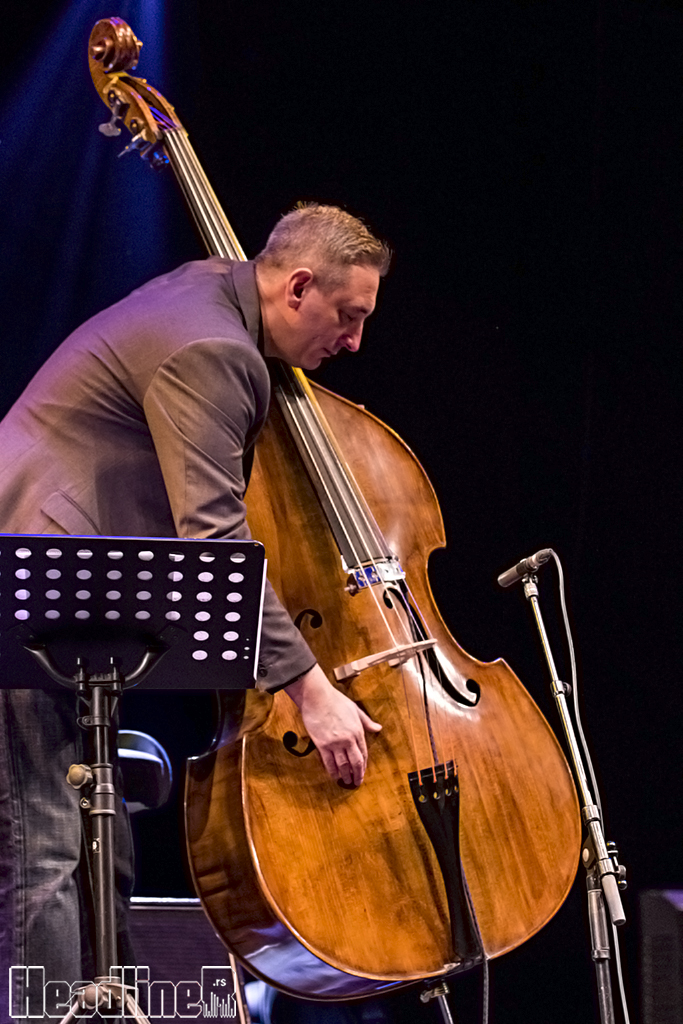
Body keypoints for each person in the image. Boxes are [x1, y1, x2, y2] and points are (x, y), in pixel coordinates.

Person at [0, 203, 390, 1017]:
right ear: (298, 286)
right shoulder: (212, 347)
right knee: (46, 848)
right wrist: (310, 692)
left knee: (99, 849)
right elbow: (214, 541)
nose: (354, 341)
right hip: (35, 600)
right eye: (347, 316)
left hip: (74, 605)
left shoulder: (215, 290)